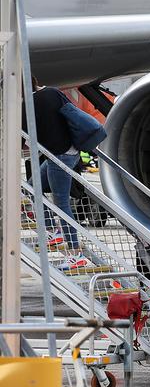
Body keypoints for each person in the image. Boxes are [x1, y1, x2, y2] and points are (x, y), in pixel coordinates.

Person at [22, 75, 86, 270]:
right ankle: (53, 229)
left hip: (59, 156)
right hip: (71, 150)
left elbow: (23, 142)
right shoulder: (52, 91)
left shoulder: (28, 105)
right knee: (32, 187)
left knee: (61, 203)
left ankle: (75, 253)